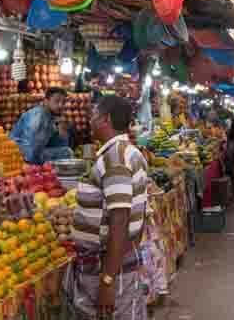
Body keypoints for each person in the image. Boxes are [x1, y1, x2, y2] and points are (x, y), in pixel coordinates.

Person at [64, 95, 149, 320]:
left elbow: (119, 219)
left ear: (106, 120)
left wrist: (107, 280)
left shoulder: (115, 159)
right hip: (116, 263)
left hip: (109, 268)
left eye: (93, 115)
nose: (89, 121)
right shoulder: (126, 153)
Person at [10, 87, 74, 164]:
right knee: (67, 152)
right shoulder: (40, 117)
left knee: (64, 148)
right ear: (46, 101)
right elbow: (32, 153)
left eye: (63, 102)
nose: (60, 105)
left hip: (30, 153)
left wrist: (62, 133)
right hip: (21, 155)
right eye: (57, 101)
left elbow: (56, 144)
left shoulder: (51, 116)